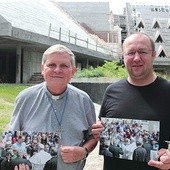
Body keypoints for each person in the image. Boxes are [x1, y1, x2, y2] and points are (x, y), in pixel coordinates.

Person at [9, 44, 97, 169]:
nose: (57, 70)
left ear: (73, 71)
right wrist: (18, 163)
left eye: (64, 66)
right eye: (51, 65)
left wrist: (84, 151)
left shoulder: (84, 100)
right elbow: (13, 137)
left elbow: (93, 137)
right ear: (42, 68)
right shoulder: (25, 98)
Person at [92, 32, 170, 170]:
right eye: (130, 53)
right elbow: (102, 127)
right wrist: (98, 131)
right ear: (123, 56)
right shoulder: (111, 91)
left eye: (142, 52)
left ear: (153, 54)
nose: (136, 58)